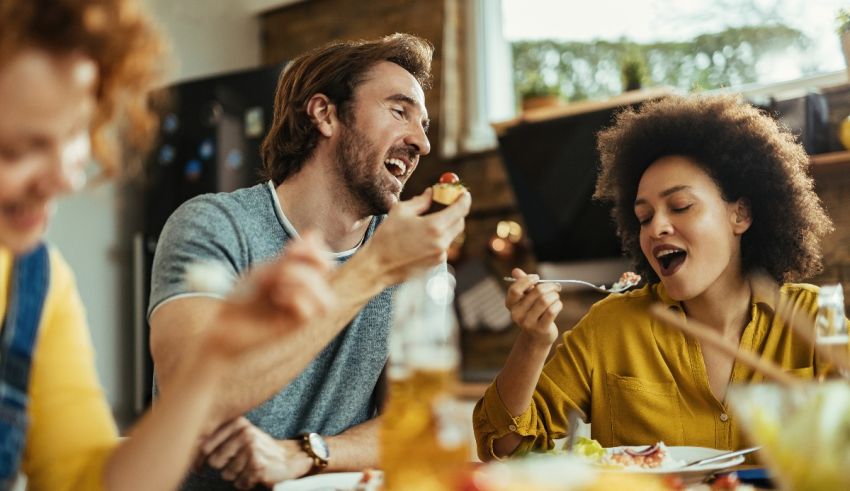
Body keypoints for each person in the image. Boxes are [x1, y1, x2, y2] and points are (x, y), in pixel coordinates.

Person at [0, 0, 338, 490]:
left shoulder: (36, 283)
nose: (65, 178)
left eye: (75, 134)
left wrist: (213, 360)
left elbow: (89, 483)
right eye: (18, 148)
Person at [148, 33, 471, 489]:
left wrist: (304, 454)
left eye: (424, 124)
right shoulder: (214, 225)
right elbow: (192, 401)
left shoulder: (412, 256)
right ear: (325, 113)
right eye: (399, 111)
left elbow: (412, 425)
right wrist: (374, 268)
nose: (421, 142)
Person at [473, 94, 838, 460]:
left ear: (740, 215)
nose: (657, 228)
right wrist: (533, 343)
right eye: (644, 217)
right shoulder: (609, 326)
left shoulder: (817, 314)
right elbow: (502, 449)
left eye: (680, 206)